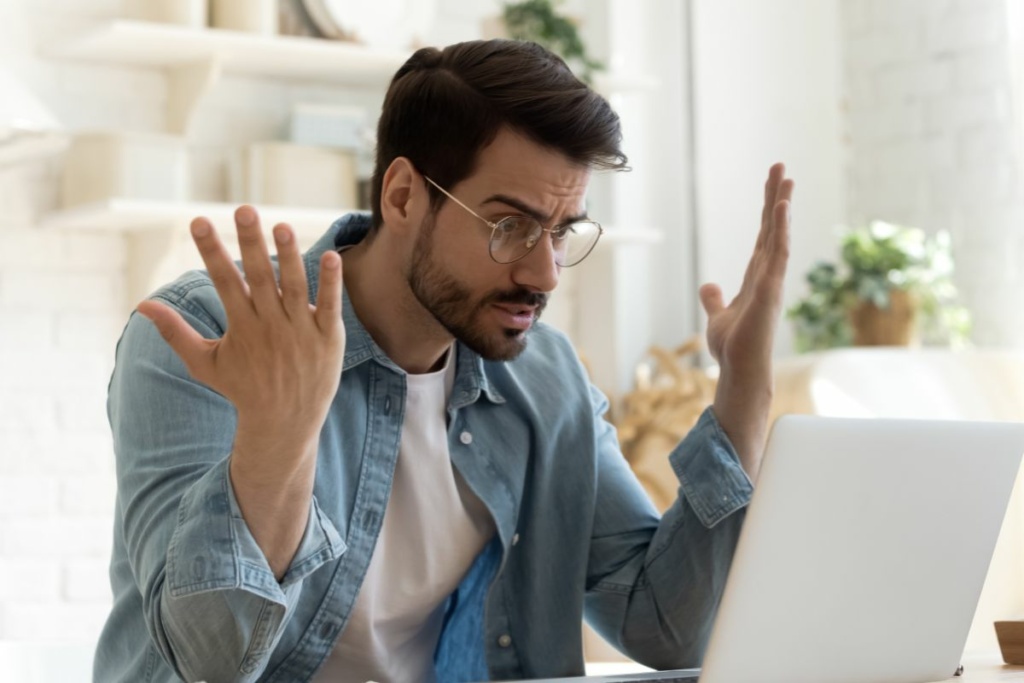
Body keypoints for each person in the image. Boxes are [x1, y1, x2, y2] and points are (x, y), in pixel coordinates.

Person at [93, 38, 793, 683]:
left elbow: (665, 629)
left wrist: (745, 390)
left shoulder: (545, 377)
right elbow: (207, 661)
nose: (545, 273)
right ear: (403, 196)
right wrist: (282, 435)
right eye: (510, 226)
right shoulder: (210, 335)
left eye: (563, 231)